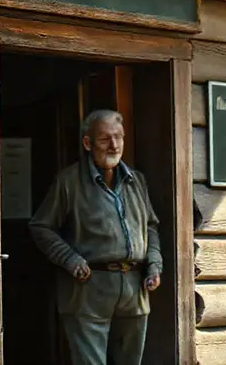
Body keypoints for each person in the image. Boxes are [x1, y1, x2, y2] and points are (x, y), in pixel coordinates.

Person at [29, 109, 163, 365]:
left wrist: (155, 264)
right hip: (88, 291)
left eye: (118, 137)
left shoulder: (138, 182)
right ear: (88, 143)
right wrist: (70, 259)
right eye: (104, 139)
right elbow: (41, 227)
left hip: (134, 290)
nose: (114, 145)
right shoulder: (68, 181)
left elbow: (151, 227)